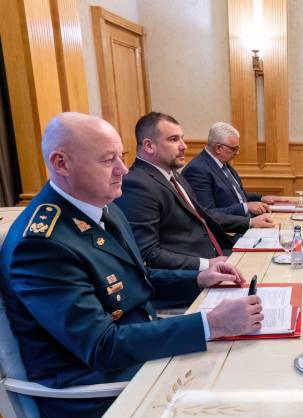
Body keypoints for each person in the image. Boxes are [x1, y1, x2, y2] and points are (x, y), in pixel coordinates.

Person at [0, 112, 264, 418]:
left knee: (250, 364)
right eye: (107, 160)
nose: (123, 170)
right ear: (61, 164)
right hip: (100, 392)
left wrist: (199, 278)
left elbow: (136, 278)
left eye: (121, 157)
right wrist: (211, 324)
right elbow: (102, 346)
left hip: (138, 355)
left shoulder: (102, 206)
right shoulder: (41, 245)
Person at [115, 112, 274, 271]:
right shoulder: (136, 184)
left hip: (220, 252)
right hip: (194, 272)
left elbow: (205, 216)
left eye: (182, 138)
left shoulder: (174, 176)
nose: (184, 146)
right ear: (149, 146)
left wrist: (248, 225)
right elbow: (148, 255)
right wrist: (207, 264)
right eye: (174, 139)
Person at [182, 122, 281, 216]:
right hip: (230, 227)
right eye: (234, 149)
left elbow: (236, 197)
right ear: (218, 148)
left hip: (243, 220)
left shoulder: (222, 162)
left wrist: (261, 198)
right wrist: (247, 213)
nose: (237, 153)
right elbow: (207, 214)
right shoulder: (197, 170)